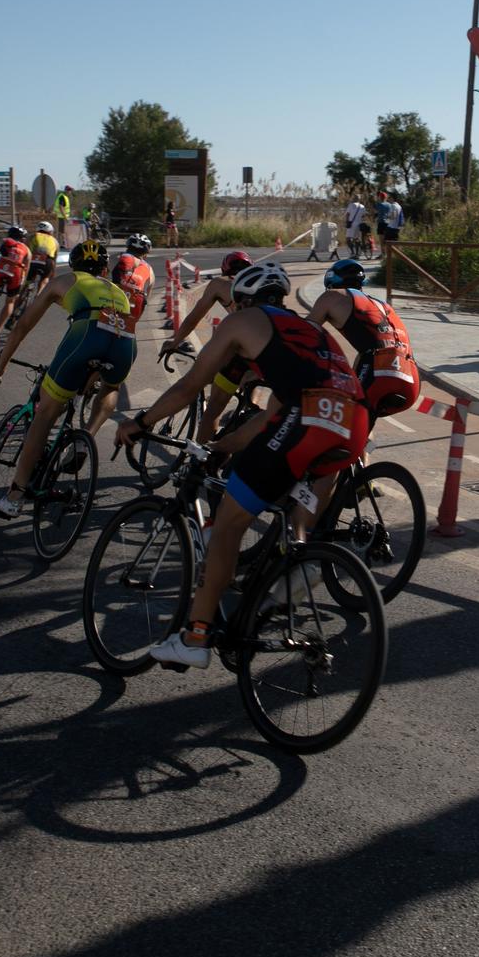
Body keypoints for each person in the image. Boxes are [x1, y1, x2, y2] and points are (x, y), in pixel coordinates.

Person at [117, 262, 370, 668]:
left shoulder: (243, 321)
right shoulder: (312, 331)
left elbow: (188, 385)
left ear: (243, 301)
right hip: (352, 422)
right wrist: (224, 445)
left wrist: (141, 422)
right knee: (293, 510)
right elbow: (272, 416)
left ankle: (195, 637)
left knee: (229, 525)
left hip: (305, 419)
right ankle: (295, 567)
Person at [0, 238, 136, 519]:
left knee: (45, 415)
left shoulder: (63, 281)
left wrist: (0, 365)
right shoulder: (119, 290)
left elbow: (23, 325)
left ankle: (15, 496)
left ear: (74, 265)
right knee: (110, 386)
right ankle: (85, 437)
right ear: (104, 270)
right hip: (125, 340)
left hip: (87, 336)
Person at [306, 258, 420, 421]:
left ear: (331, 282)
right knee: (361, 426)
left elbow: (303, 333)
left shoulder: (331, 296)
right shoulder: (383, 305)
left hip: (377, 372)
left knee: (342, 425)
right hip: (412, 378)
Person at [161, 250, 256, 443]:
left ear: (225, 269)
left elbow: (195, 317)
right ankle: (249, 408)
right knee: (251, 379)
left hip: (241, 349)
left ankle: (201, 462)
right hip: (268, 347)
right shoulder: (258, 283)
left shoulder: (220, 284)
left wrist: (175, 341)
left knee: (213, 408)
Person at [0, 225, 34, 332]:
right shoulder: (27, 250)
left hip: (0, 270)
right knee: (10, 302)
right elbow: (25, 270)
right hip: (16, 274)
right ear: (23, 238)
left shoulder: (3, 241)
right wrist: (21, 286)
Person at [112, 233, 156, 328]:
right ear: (145, 254)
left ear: (128, 247)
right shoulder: (150, 270)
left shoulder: (117, 258)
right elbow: (146, 298)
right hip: (133, 313)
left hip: (111, 308)